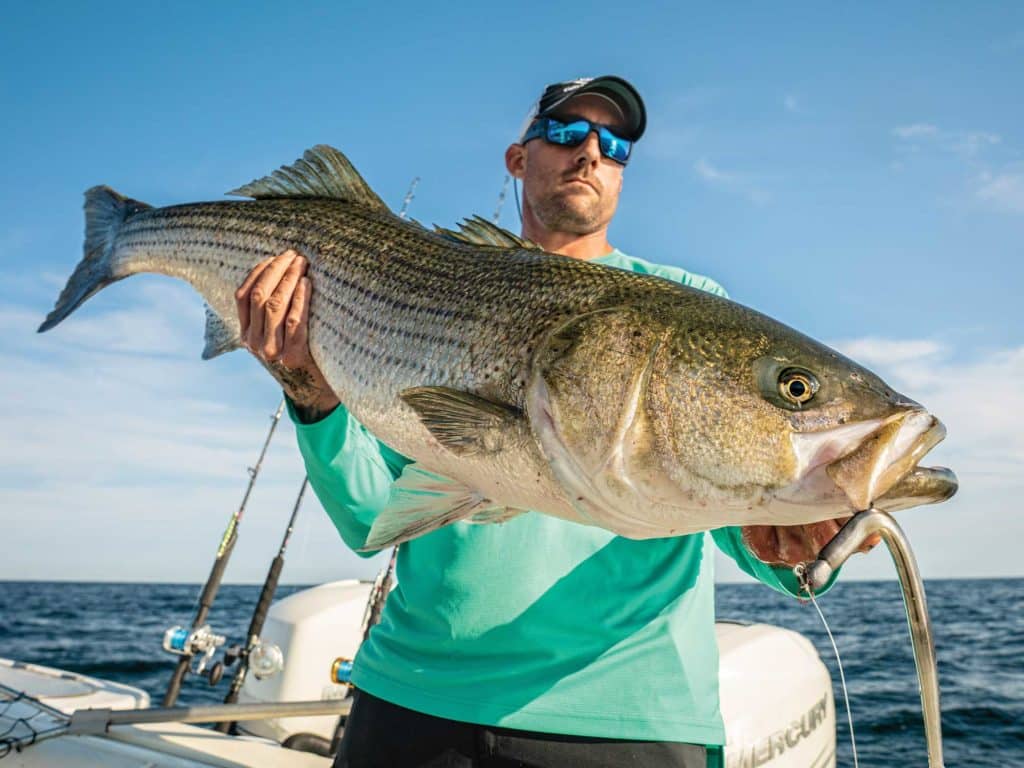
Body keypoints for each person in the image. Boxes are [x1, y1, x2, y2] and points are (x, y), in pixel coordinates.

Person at [235, 76, 875, 768]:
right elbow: (371, 518)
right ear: (518, 159)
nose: (591, 153)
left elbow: (741, 522)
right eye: (567, 133)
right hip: (412, 699)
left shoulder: (690, 305)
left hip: (633, 721)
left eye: (615, 144)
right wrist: (307, 387)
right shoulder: (438, 285)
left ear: (624, 174)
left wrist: (795, 541)